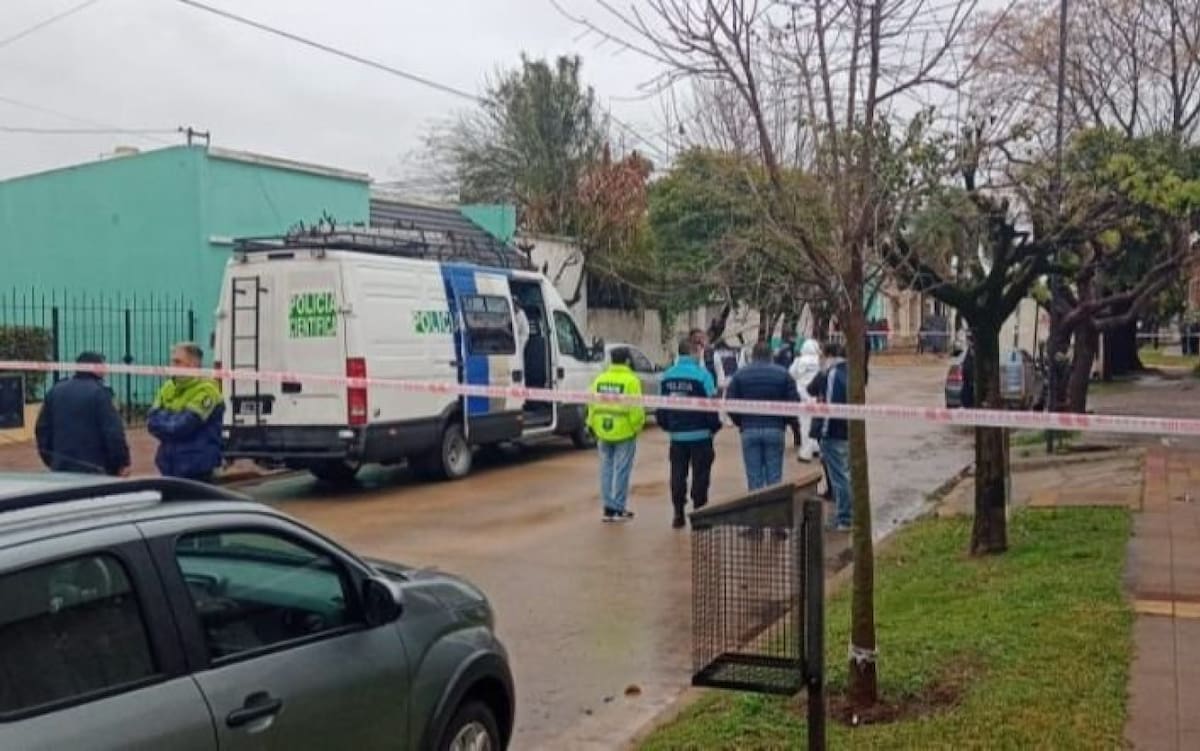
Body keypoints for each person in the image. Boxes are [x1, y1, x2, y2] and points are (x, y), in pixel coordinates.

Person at [658, 336, 722, 529]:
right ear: (694, 352)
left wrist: (667, 426)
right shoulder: (703, 375)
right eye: (699, 351)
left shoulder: (667, 376)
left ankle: (678, 514)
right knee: (701, 476)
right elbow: (711, 405)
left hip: (677, 436)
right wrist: (714, 427)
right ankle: (699, 515)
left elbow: (661, 406)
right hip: (701, 435)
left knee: (677, 475)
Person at [35, 351, 130, 476]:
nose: (106, 369)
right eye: (103, 365)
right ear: (95, 368)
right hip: (96, 469)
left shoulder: (55, 391)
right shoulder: (100, 394)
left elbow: (42, 430)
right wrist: (121, 463)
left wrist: (52, 459)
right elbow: (113, 433)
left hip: (62, 467)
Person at [726, 341, 799, 491]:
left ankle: (757, 505)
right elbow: (794, 404)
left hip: (749, 429)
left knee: (754, 479)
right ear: (771, 355)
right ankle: (775, 505)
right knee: (775, 479)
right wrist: (783, 422)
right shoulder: (783, 374)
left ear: (752, 356)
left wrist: (741, 422)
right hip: (775, 429)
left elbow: (730, 403)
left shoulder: (740, 374)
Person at [148, 342, 224, 482]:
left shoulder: (207, 390)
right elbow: (151, 422)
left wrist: (165, 419)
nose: (172, 366)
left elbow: (184, 426)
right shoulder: (168, 387)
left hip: (197, 469)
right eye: (172, 361)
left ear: (193, 365)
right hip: (169, 466)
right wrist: (173, 420)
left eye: (177, 362)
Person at [586, 347, 646, 523]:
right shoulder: (631, 380)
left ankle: (608, 507)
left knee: (606, 469)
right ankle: (618, 508)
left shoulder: (600, 379)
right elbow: (636, 408)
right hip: (624, 431)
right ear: (627, 361)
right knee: (622, 470)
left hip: (603, 430)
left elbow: (591, 404)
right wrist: (636, 427)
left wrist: (591, 424)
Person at [808, 342, 851, 531]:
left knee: (839, 478)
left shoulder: (833, 374)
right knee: (845, 475)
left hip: (834, 433)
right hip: (847, 431)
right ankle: (846, 515)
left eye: (822, 356)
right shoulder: (849, 371)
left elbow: (830, 407)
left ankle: (844, 518)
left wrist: (824, 432)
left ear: (829, 356)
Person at [789, 338, 823, 462]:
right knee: (817, 423)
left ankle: (806, 453)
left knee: (805, 425)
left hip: (803, 397)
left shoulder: (799, 361)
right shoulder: (820, 361)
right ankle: (816, 448)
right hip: (817, 397)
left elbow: (791, 374)